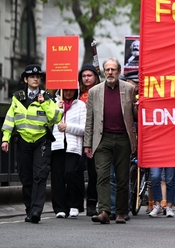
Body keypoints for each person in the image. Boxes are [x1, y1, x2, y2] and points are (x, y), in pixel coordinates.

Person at [1, 64, 63, 223]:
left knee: (40, 176)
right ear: (25, 79)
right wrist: (5, 139)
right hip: (23, 141)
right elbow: (10, 119)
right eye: (32, 77)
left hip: (41, 141)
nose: (35, 79)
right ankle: (29, 209)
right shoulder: (17, 97)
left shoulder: (47, 97)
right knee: (26, 177)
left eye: (38, 77)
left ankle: (36, 211)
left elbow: (56, 118)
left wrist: (43, 103)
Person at [84, 58, 137, 224]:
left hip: (123, 138)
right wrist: (87, 143)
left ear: (119, 72)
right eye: (107, 70)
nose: (110, 73)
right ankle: (105, 211)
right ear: (103, 72)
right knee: (102, 176)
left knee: (122, 178)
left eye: (113, 70)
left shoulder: (129, 89)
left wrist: (138, 106)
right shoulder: (94, 91)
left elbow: (135, 116)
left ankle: (121, 212)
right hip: (102, 139)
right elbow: (90, 119)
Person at [50, 88, 86, 219]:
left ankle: (74, 205)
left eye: (71, 90)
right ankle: (59, 208)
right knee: (57, 176)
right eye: (66, 90)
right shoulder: (53, 102)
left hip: (73, 145)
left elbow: (84, 128)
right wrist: (56, 110)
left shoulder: (81, 105)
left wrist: (67, 127)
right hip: (56, 144)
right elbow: (48, 122)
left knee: (71, 173)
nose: (68, 93)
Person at [78, 63, 100, 217]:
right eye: (84, 76)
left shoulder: (101, 92)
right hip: (77, 137)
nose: (86, 78)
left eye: (89, 75)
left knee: (94, 173)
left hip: (94, 137)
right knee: (75, 171)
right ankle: (77, 203)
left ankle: (92, 203)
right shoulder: (75, 93)